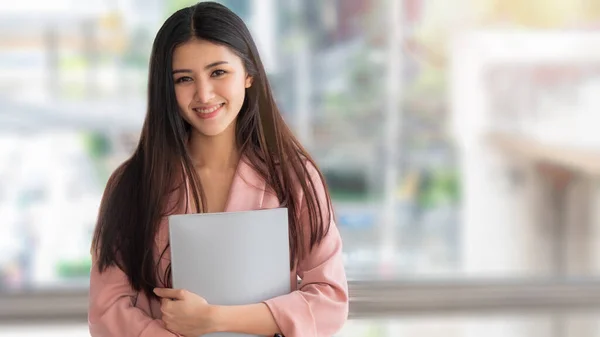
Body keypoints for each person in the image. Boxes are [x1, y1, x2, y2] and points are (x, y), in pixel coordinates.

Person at [88, 2, 349, 337]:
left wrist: (214, 320)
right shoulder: (132, 184)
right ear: (167, 90)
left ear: (249, 74)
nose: (204, 94)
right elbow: (106, 308)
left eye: (218, 72)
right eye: (184, 79)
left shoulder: (295, 179)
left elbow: (330, 299)